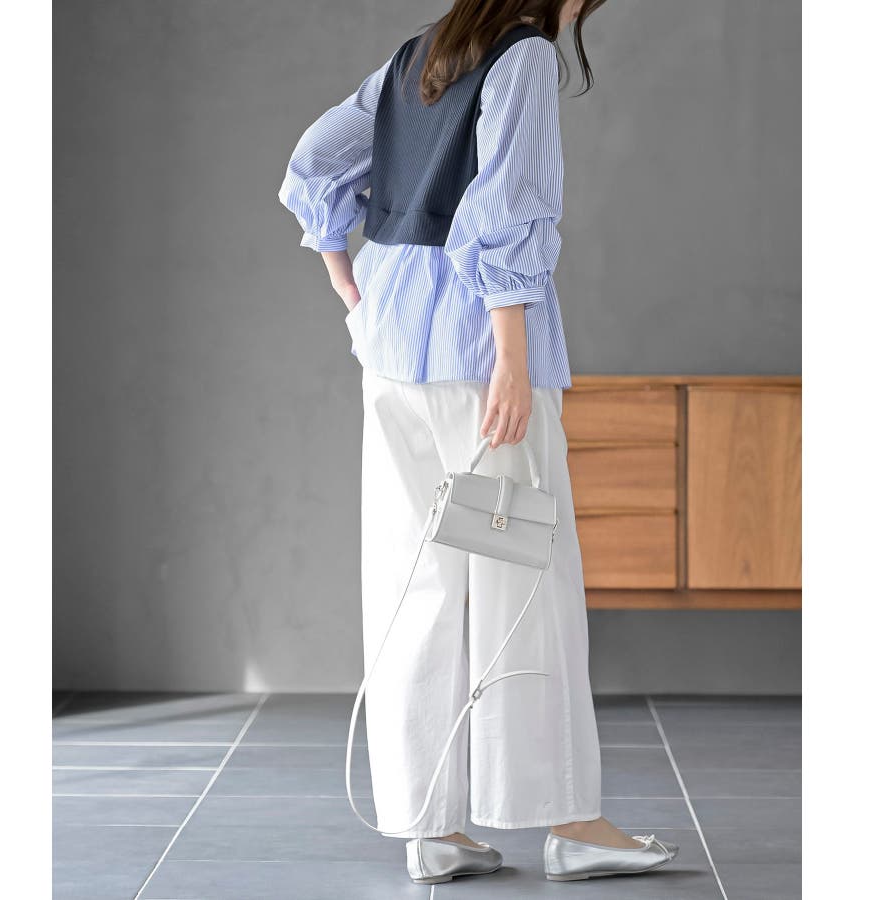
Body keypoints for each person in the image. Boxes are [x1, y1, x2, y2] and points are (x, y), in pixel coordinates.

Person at [278, 0, 679, 885]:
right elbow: (504, 209)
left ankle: (431, 828)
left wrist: (351, 288)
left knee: (414, 582)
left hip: (391, 347)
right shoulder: (523, 58)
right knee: (523, 580)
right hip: (478, 355)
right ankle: (570, 822)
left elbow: (314, 161)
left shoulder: (416, 54)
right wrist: (511, 357)